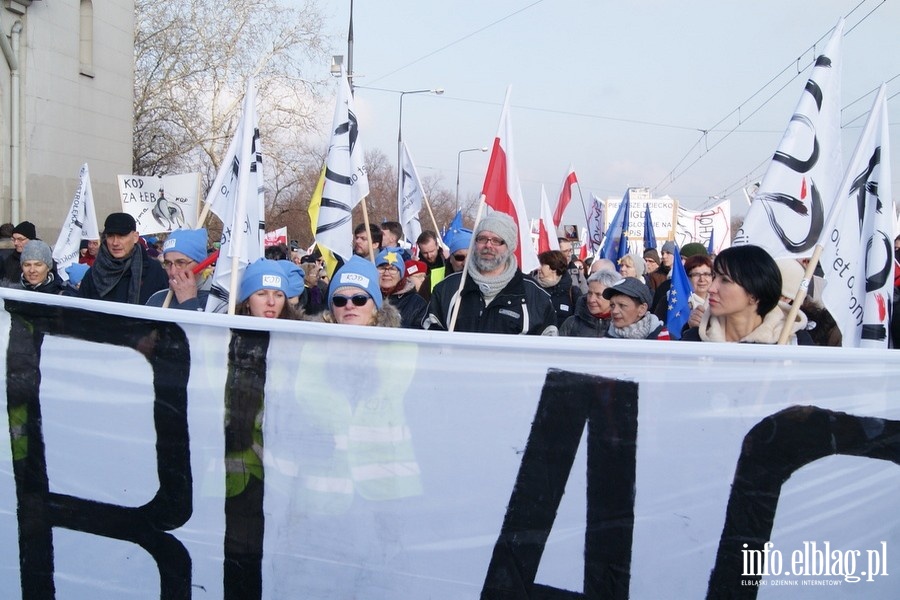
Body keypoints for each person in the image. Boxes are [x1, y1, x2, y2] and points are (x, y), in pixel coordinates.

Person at [423, 212, 557, 335]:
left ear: (509, 247)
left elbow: (548, 352)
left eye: (496, 240)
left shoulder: (535, 296)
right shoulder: (447, 289)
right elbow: (428, 341)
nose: (488, 245)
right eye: (482, 239)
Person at [681, 245, 813, 344]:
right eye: (715, 276)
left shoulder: (795, 342)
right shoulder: (693, 341)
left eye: (725, 280)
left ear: (754, 295)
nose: (712, 288)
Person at [79, 213, 168, 304]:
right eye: (110, 236)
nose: (115, 243)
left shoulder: (154, 270)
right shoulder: (94, 273)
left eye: (121, 236)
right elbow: (82, 312)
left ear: (135, 237)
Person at [318, 255, 400, 327]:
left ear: (375, 305)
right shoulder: (313, 343)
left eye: (359, 299)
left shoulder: (395, 343)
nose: (349, 306)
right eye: (339, 300)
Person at [146, 228, 212, 311]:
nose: (173, 272)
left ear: (203, 266)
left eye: (181, 263)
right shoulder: (157, 299)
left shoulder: (221, 303)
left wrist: (188, 303)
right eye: (168, 263)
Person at [559, 269, 622, 337]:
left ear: (612, 296)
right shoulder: (572, 324)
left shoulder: (623, 325)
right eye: (589, 293)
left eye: (598, 295)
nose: (591, 300)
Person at [603, 277, 670, 340]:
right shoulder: (603, 340)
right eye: (612, 305)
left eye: (622, 305)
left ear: (642, 309)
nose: (615, 311)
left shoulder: (665, 340)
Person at [376, 247, 426, 329]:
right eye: (382, 268)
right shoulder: (365, 299)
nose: (386, 273)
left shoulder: (416, 303)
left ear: (401, 274)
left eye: (392, 269)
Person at [535, 249, 582, 328]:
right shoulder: (533, 289)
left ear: (553, 267)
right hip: (539, 338)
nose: (538, 268)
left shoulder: (573, 292)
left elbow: (579, 321)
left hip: (564, 339)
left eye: (542, 264)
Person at [415, 229, 447, 302]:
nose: (429, 256)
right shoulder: (417, 266)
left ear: (437, 246)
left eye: (432, 251)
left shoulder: (447, 262)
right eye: (425, 253)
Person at [684, 254, 714, 330]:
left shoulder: (719, 302)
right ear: (687, 277)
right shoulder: (674, 301)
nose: (702, 279)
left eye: (706, 274)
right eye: (696, 275)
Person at [2, 220, 36, 286]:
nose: (15, 243)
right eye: (14, 239)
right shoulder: (10, 259)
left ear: (31, 239)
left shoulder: (43, 257)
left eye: (20, 239)